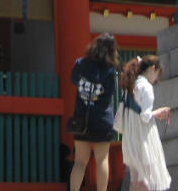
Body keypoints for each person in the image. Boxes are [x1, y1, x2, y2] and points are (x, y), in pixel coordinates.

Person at [67, 33, 119, 191]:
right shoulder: (110, 70)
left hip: (82, 118)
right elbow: (110, 92)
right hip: (102, 119)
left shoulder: (80, 64)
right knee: (102, 160)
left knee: (79, 162)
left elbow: (73, 80)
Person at [117, 56, 170, 191]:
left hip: (130, 139)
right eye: (157, 74)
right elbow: (145, 116)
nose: (156, 79)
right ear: (153, 68)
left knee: (135, 180)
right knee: (146, 180)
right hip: (143, 139)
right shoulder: (146, 87)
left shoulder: (131, 86)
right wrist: (157, 112)